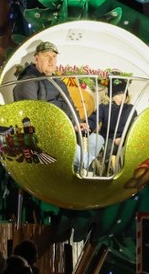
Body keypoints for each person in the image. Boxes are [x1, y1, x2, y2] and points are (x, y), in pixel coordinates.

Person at [12, 41, 102, 171]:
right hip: (48, 134)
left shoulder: (59, 82)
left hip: (67, 129)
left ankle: (82, 170)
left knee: (97, 139)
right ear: (36, 58)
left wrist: (78, 123)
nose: (51, 60)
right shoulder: (28, 82)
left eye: (54, 57)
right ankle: (93, 166)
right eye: (46, 56)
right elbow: (30, 114)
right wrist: (56, 127)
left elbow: (70, 105)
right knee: (63, 142)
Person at [88, 78, 137, 175]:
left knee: (122, 148)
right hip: (107, 138)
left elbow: (134, 127)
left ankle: (109, 166)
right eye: (118, 94)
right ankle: (104, 166)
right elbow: (94, 118)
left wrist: (123, 138)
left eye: (124, 94)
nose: (121, 97)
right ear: (111, 95)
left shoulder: (131, 109)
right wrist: (88, 125)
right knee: (107, 144)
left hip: (123, 138)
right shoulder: (104, 107)